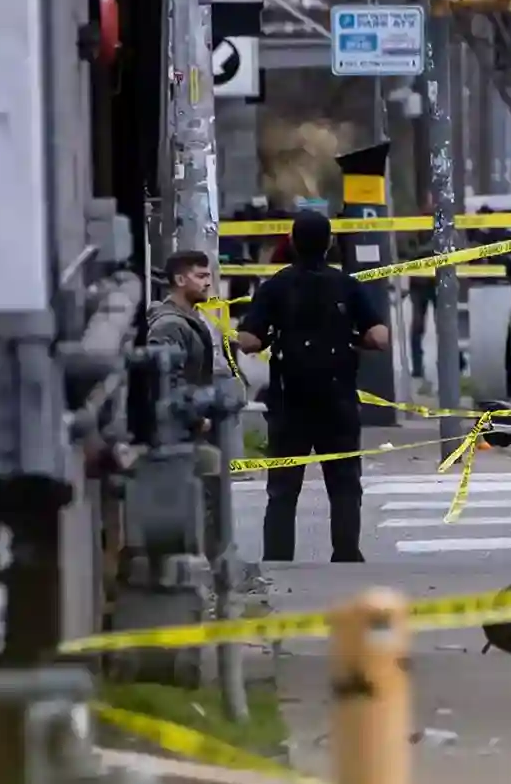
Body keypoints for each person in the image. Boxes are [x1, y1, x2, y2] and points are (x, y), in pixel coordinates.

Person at [235, 208, 391, 564]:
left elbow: (247, 340)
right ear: (330, 243)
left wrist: (269, 335)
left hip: (291, 402)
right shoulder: (347, 285)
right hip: (338, 401)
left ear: (290, 242)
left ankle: (277, 558)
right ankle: (347, 553)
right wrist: (354, 338)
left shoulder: (276, 286)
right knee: (345, 484)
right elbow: (380, 337)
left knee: (283, 489)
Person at [145, 249, 242, 554]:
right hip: (180, 433)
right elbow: (163, 380)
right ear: (179, 279)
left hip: (190, 429)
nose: (208, 283)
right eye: (200, 276)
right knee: (200, 498)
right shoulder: (169, 325)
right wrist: (195, 418)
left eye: (209, 276)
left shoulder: (187, 319)